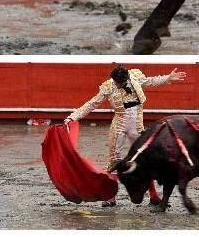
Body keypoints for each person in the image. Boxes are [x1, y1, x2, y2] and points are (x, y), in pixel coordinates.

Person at [64, 65, 186, 206]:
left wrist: (168, 78)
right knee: (114, 159)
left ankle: (153, 196)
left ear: (126, 78)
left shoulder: (135, 77)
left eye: (121, 82)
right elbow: (92, 104)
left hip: (136, 124)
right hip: (119, 124)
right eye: (117, 82)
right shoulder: (108, 86)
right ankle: (111, 197)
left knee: (146, 159)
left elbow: (150, 81)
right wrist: (73, 116)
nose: (119, 85)